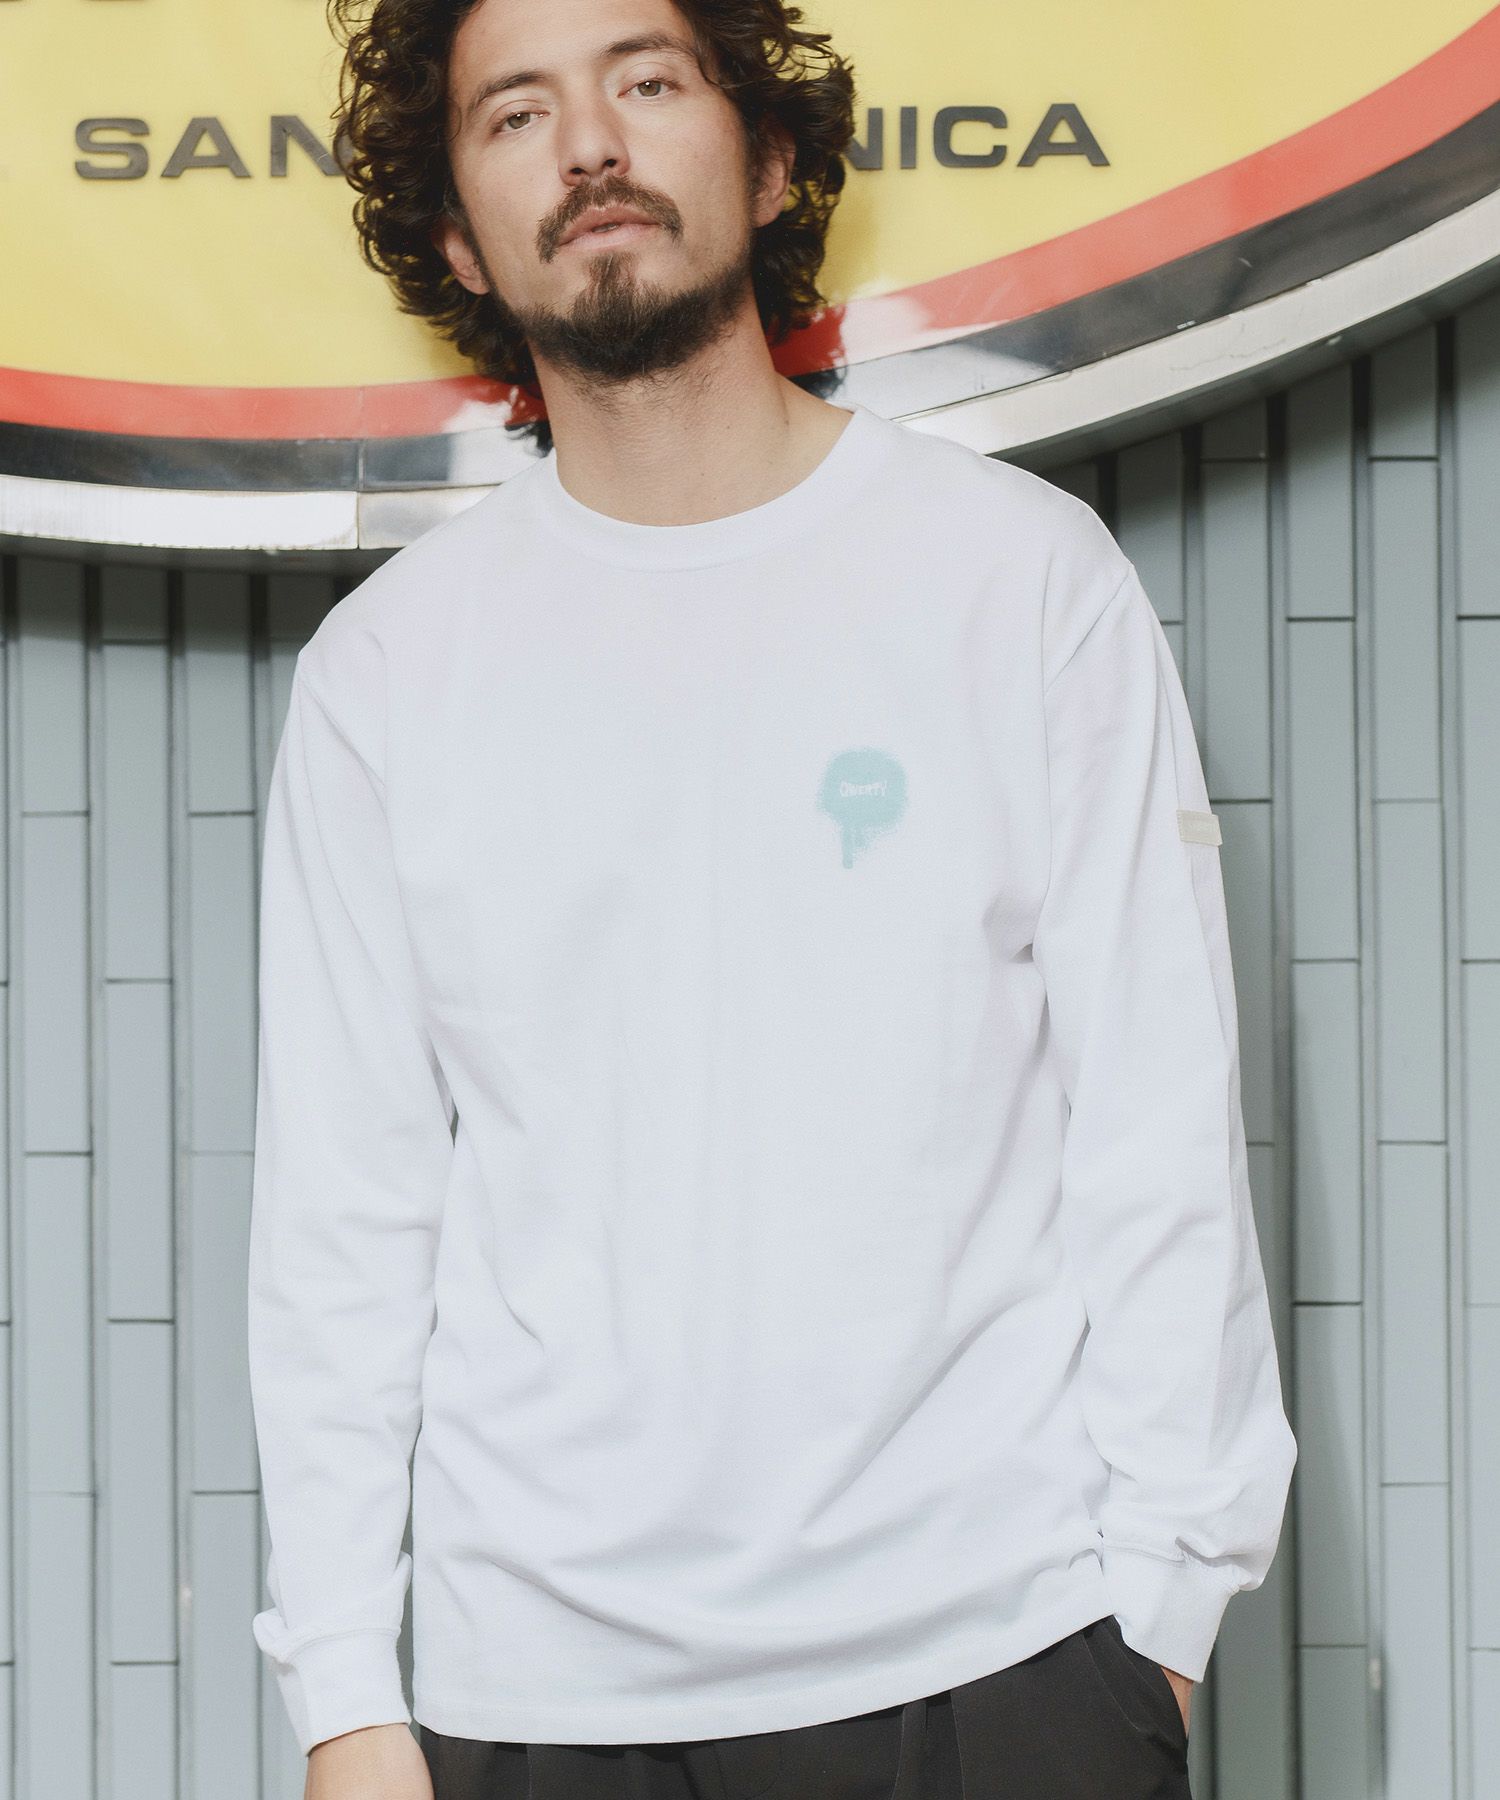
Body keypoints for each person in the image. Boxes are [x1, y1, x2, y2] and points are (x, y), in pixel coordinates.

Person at [245, 0, 1299, 1795]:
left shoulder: (1021, 582)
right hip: (543, 1705)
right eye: (517, 114)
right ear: (459, 240)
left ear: (775, 156)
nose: (592, 144)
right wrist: (345, 1695)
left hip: (1003, 1666)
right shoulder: (387, 674)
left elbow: (1155, 1131)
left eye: (647, 80)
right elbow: (345, 1224)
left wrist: (1161, 1632)